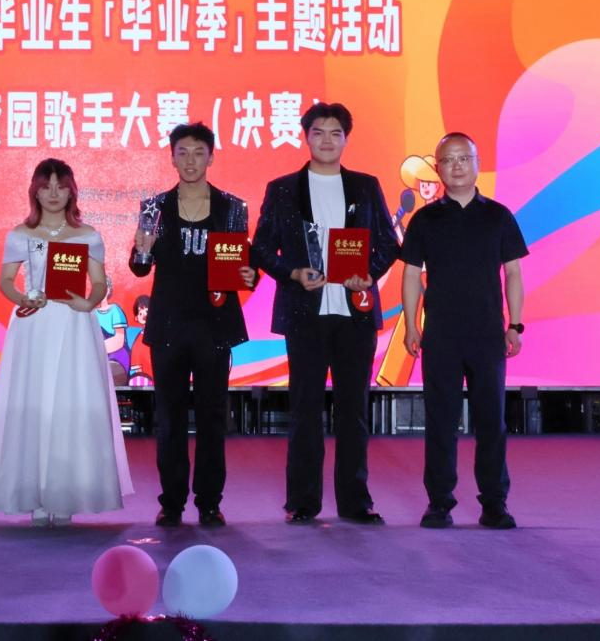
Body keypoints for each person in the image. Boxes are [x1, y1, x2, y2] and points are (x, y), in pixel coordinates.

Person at [251, 102, 398, 525]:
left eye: (336, 133)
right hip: (306, 313)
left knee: (353, 410)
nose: (327, 140)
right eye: (319, 132)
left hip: (355, 314)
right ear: (306, 137)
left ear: (346, 139)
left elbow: (389, 243)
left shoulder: (366, 186)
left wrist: (368, 275)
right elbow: (261, 248)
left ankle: (355, 502)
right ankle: (302, 502)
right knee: (304, 409)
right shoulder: (283, 189)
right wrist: (293, 273)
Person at [0, 159, 132, 525]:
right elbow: (5, 281)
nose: (52, 193)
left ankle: (65, 494)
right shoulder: (20, 234)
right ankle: (33, 494)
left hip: (74, 324)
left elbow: (98, 282)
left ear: (70, 191)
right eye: (45, 186)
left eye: (60, 186)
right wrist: (21, 299)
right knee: (33, 403)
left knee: (70, 405)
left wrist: (90, 302)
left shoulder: (88, 235)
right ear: (34, 191)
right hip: (33, 325)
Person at [400, 132, 528, 530]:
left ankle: (495, 504)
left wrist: (515, 324)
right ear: (438, 168)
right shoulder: (425, 220)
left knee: (492, 421)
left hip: (487, 334)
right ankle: (439, 503)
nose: (456, 166)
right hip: (441, 334)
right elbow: (411, 275)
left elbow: (513, 273)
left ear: (476, 164)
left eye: (463, 158)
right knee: (440, 421)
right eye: (448, 160)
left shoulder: (499, 216)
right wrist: (411, 325)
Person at [130, 122, 255, 527]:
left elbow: (243, 266)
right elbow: (140, 266)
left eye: (199, 153)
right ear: (171, 157)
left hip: (214, 326)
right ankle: (171, 502)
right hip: (168, 326)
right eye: (182, 152)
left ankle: (209, 502)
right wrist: (142, 250)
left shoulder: (232, 208)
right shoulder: (154, 208)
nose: (190, 160)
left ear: (211, 158)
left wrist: (249, 275)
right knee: (169, 419)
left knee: (211, 417)